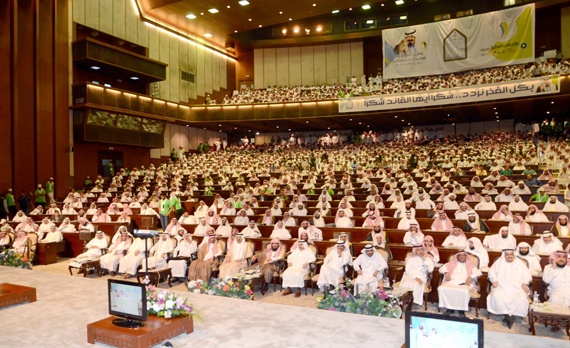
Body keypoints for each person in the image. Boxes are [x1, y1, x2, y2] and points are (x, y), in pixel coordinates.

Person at [487, 249, 532, 329]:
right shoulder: (499, 263)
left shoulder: (520, 263)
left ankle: (509, 316)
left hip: (517, 287)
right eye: (507, 254)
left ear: (514, 255)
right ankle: (509, 316)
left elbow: (527, 275)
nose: (509, 256)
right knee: (496, 295)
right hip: (501, 286)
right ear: (504, 255)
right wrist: (494, 280)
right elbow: (491, 272)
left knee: (521, 297)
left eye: (511, 254)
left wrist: (524, 283)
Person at [438, 251, 482, 317]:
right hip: (451, 282)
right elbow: (441, 269)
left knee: (464, 291)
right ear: (457, 257)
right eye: (460, 255)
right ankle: (449, 308)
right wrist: (446, 272)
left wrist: (471, 277)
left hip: (464, 283)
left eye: (464, 255)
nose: (462, 257)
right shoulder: (451, 264)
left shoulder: (470, 265)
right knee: (441, 288)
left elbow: (479, 272)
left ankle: (461, 310)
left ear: (466, 257)